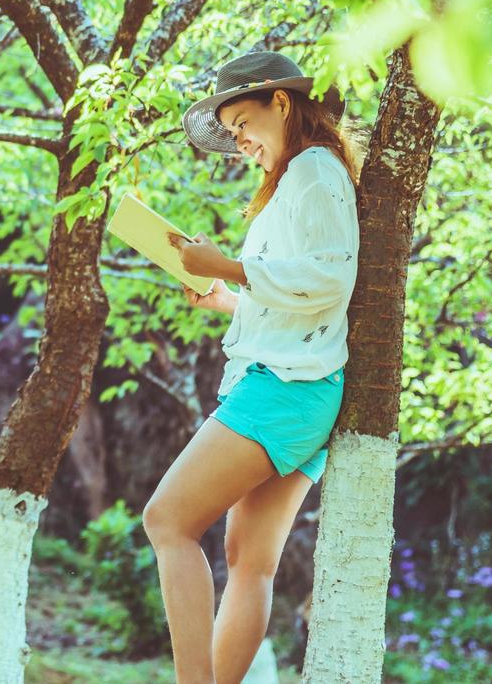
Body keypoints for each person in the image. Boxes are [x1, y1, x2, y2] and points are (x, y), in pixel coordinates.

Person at [145, 49, 362, 683]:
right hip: (302, 385)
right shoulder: (302, 177)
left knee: (167, 521)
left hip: (286, 391)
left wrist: (227, 266)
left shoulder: (315, 170)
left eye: (244, 123)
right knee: (248, 559)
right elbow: (301, 300)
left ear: (283, 102)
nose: (239, 141)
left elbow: (328, 279)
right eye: (232, 133)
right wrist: (227, 298)